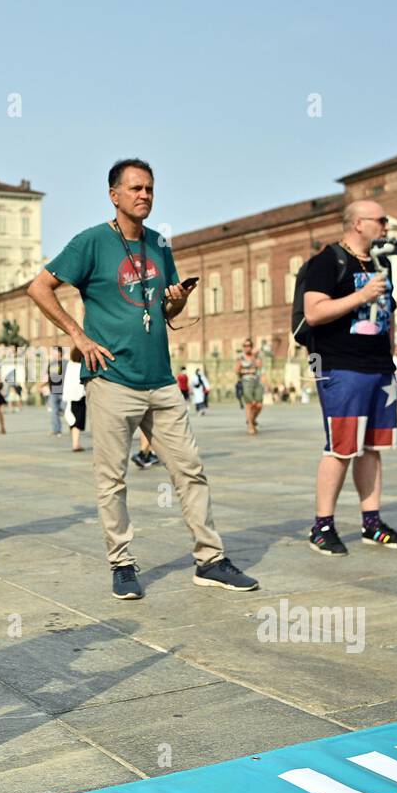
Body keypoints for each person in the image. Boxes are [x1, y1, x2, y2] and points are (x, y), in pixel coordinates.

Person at [26, 158, 258, 599]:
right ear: (114, 196)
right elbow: (39, 287)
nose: (144, 195)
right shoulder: (91, 242)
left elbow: (166, 312)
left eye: (149, 188)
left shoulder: (159, 244)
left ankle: (209, 559)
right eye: (135, 189)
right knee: (112, 478)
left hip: (161, 379)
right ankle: (122, 563)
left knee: (190, 470)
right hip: (111, 379)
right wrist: (77, 334)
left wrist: (176, 301)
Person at [301, 200, 397, 556]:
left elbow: (388, 313)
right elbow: (314, 312)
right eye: (381, 220)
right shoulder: (326, 261)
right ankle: (322, 526)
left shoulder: (382, 263)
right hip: (339, 366)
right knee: (341, 446)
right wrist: (360, 295)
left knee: (372, 447)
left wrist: (391, 354)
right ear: (359, 223)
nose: (386, 225)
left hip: (378, 368)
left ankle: (372, 522)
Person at [236, 338, 264, 434]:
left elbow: (260, 367)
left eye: (248, 346)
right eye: (245, 346)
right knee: (249, 405)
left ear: (252, 347)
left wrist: (255, 356)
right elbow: (237, 370)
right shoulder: (240, 357)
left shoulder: (257, 356)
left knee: (259, 405)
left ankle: (251, 419)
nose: (246, 348)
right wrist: (247, 371)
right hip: (246, 382)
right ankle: (251, 426)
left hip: (257, 381)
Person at [63, 348, 88, 451]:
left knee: (73, 419)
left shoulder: (70, 365)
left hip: (71, 396)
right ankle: (76, 444)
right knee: (78, 420)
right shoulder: (82, 366)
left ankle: (75, 442)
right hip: (80, 396)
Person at [47, 346, 67, 436]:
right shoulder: (51, 364)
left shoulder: (66, 363)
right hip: (54, 391)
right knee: (54, 411)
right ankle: (56, 430)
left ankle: (74, 428)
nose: (52, 353)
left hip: (64, 390)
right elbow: (49, 376)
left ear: (59, 353)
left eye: (54, 352)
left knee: (65, 409)